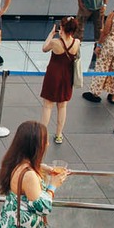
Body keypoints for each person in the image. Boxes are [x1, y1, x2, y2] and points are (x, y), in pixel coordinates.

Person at [38, 16, 83, 144]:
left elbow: (44, 48)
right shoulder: (77, 42)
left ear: (62, 28)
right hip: (67, 76)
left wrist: (51, 34)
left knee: (48, 106)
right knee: (62, 105)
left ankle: (42, 135)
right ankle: (58, 134)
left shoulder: (55, 43)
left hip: (53, 75)